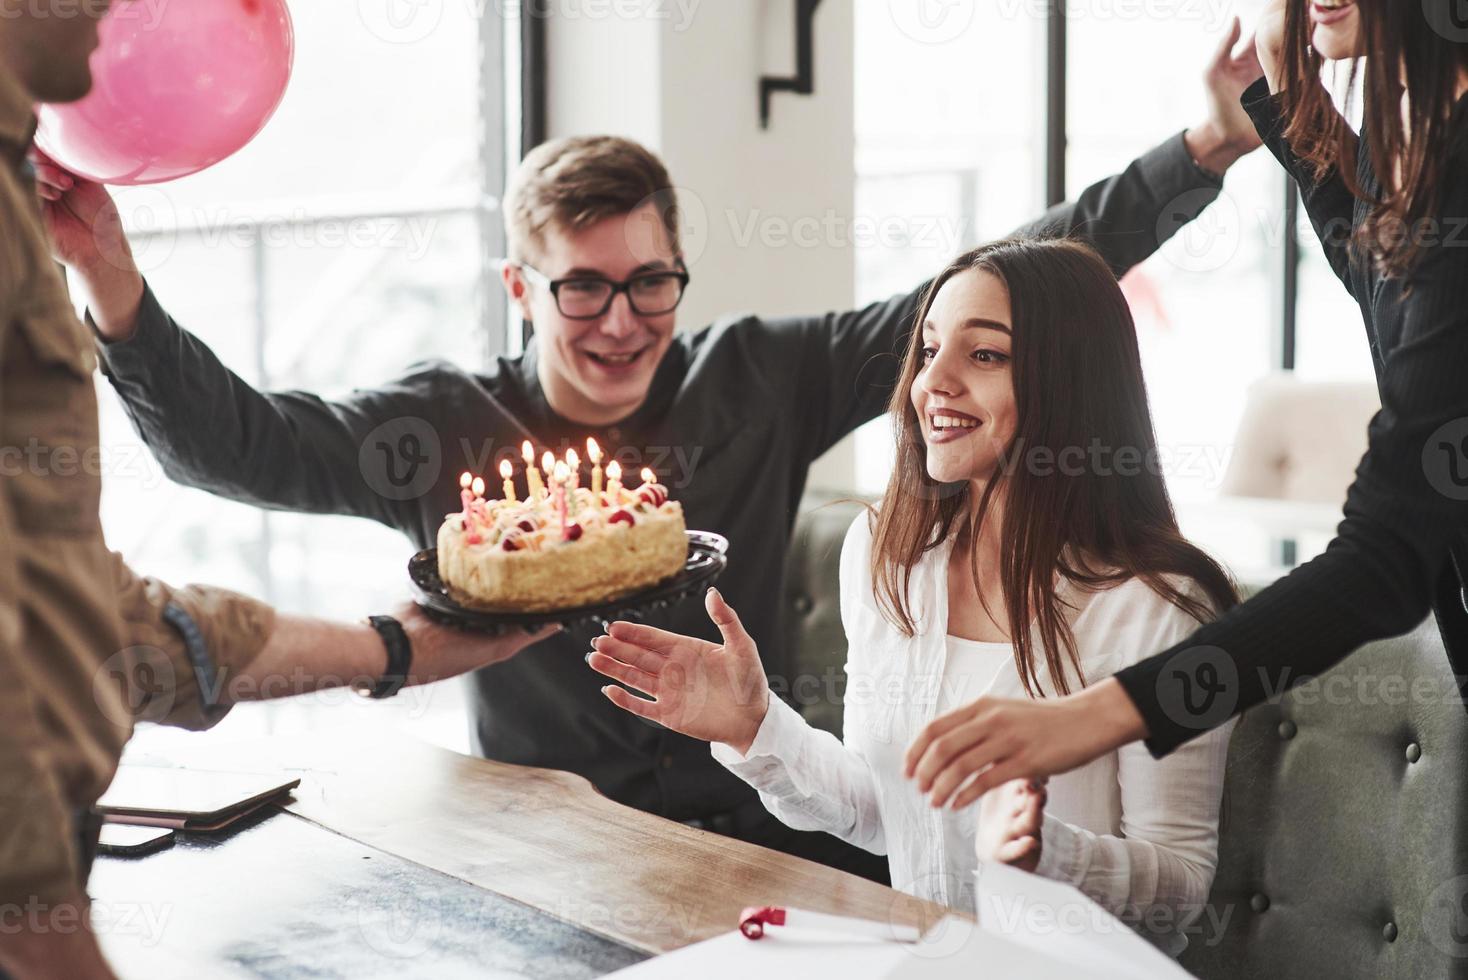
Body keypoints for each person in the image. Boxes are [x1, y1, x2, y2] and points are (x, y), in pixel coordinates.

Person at [42, 23, 1265, 882]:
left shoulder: (764, 377)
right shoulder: (441, 427)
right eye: (583, 290)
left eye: (651, 282)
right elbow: (236, 445)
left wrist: (1197, 152)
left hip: (764, 836)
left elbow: (999, 287)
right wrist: (109, 278)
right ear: (521, 284)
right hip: (550, 836)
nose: (623, 320)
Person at [0, 10, 556, 979]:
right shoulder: (442, 410)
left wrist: (396, 648)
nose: (112, 13)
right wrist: (43, 923)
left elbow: (91, 612)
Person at [587, 237, 1238, 954]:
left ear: (1071, 381)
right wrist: (755, 727)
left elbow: (1178, 891)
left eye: (984, 355)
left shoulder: (1161, 603)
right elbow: (882, 811)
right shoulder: (885, 555)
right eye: (929, 351)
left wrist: (1043, 853)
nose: (934, 383)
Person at [903, 0, 1468, 802]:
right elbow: (1385, 280)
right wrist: (1284, 90)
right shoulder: (1423, 151)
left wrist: (1095, 714)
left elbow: (1384, 563)